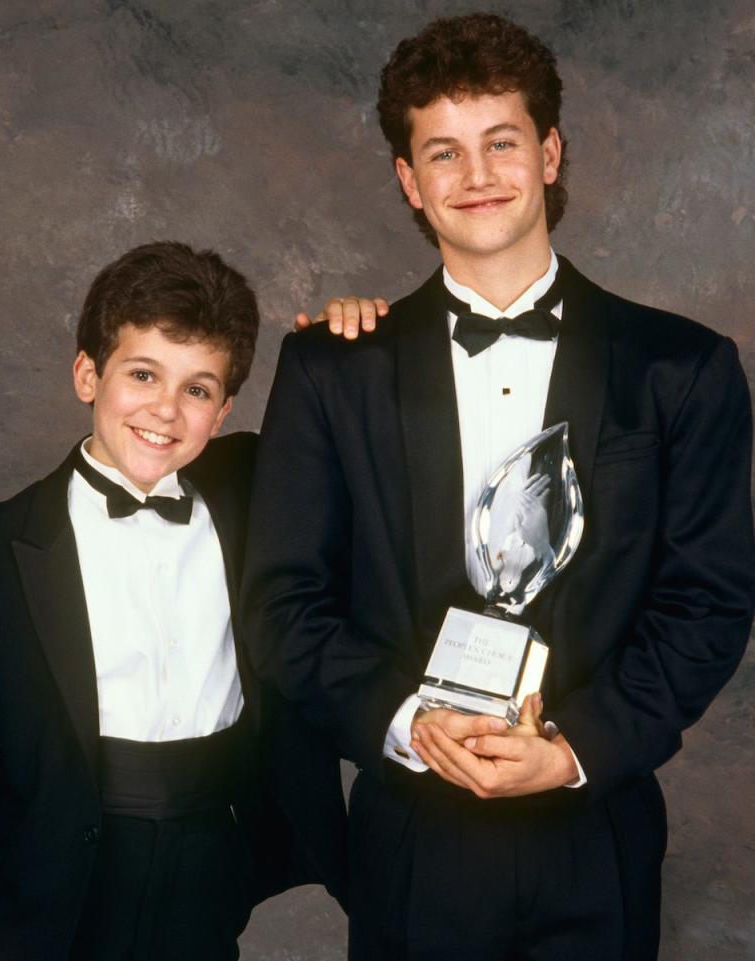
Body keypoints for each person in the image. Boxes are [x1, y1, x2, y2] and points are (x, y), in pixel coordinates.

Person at [242, 12, 755, 961]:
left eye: (502, 142)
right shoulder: (332, 368)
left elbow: (709, 602)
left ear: (549, 153)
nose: (476, 175)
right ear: (410, 181)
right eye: (444, 152)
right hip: (409, 835)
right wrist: (409, 723)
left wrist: (574, 748)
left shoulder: (682, 367)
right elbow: (282, 604)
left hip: (596, 823)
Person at [0, 241, 350, 961]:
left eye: (198, 389)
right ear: (88, 373)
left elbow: (348, 439)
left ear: (226, 407)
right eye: (143, 374)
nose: (166, 411)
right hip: (56, 876)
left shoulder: (254, 492)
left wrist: (353, 343)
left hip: (210, 856)